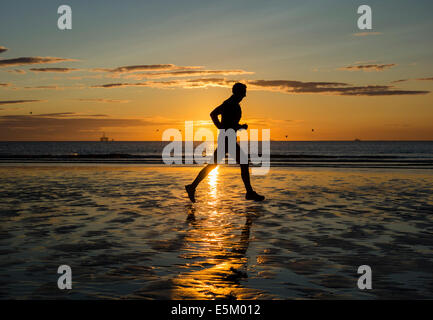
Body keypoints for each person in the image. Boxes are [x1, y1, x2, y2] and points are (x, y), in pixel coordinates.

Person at [185, 83, 265, 203]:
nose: (245, 95)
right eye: (243, 92)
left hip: (228, 138)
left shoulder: (233, 103)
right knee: (243, 162)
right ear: (238, 92)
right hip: (227, 139)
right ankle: (249, 192)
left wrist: (239, 127)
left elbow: (230, 123)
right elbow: (213, 114)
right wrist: (221, 127)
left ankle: (192, 187)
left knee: (213, 165)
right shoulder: (229, 103)